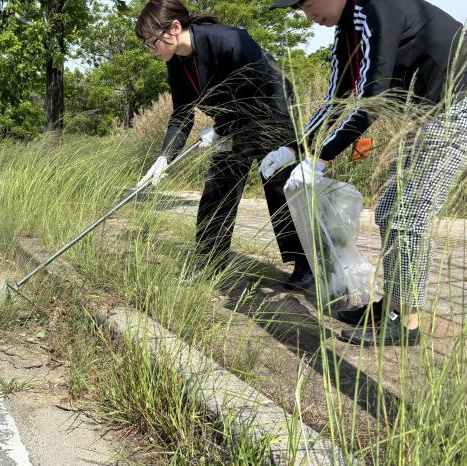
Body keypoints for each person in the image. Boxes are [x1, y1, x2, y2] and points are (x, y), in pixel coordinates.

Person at [263, 0, 467, 346]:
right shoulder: (346, 30)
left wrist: (322, 159)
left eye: (309, 4)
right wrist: (297, 149)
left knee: (408, 217)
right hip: (423, 116)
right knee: (390, 209)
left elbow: (373, 97)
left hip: (455, 106)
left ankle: (405, 323)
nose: (309, 16)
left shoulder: (377, 6)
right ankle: (392, 302)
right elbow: (335, 98)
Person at [135, 0, 312, 289]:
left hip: (271, 110)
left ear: (174, 27)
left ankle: (305, 264)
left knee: (279, 184)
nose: (151, 49)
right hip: (231, 122)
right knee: (219, 185)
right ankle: (211, 259)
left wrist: (221, 128)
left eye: (151, 41)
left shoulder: (230, 40)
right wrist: (165, 157)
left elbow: (260, 90)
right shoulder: (176, 63)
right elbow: (182, 113)